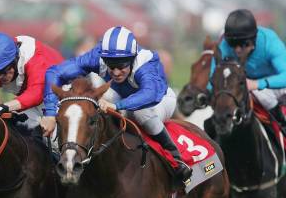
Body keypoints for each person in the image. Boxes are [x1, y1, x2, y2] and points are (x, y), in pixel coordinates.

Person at [42, 26, 192, 184]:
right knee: (91, 100)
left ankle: (176, 158)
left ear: (132, 58)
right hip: (121, 94)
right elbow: (55, 73)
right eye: (110, 65)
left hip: (159, 100)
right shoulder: (97, 56)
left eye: (122, 65)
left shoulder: (145, 63)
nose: (115, 71)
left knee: (140, 113)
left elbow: (149, 94)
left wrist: (118, 106)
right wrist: (50, 113)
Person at [208, 9, 286, 153]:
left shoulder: (270, 42)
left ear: (253, 40)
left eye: (242, 44)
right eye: (233, 44)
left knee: (262, 96)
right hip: (246, 79)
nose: (237, 50)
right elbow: (214, 75)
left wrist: (257, 84)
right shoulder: (226, 45)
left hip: (277, 78)